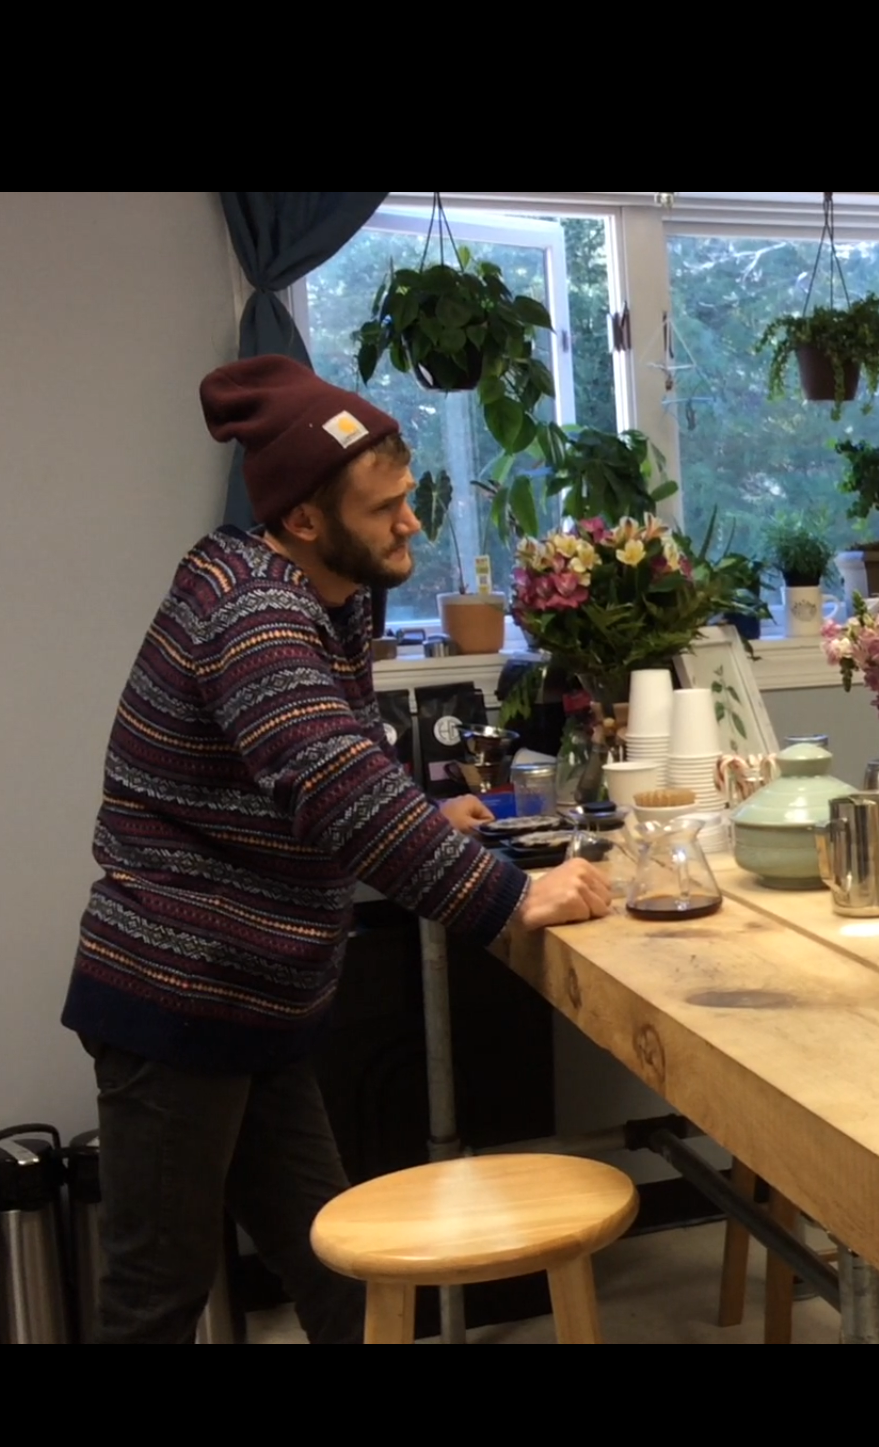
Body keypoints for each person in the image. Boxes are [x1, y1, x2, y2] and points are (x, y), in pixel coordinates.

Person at [61, 355, 612, 1344]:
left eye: (407, 500)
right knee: (156, 1294)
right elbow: (331, 783)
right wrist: (507, 898)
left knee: (338, 1266)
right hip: (177, 998)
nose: (411, 523)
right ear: (306, 521)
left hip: (258, 994)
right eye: (385, 508)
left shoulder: (329, 599)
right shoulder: (254, 610)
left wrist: (422, 816)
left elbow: (334, 764)